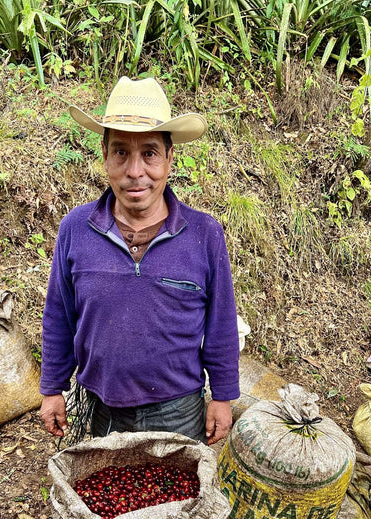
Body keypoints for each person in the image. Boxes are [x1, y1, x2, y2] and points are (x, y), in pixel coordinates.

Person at [39, 76, 240, 445]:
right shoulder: (75, 229)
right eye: (120, 153)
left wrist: (223, 396)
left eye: (148, 153)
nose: (135, 172)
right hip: (103, 409)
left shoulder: (204, 234)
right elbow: (58, 315)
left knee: (177, 502)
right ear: (104, 155)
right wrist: (52, 387)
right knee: (114, 498)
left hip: (178, 411)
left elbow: (221, 323)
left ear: (168, 158)